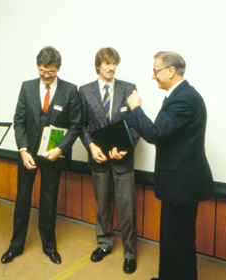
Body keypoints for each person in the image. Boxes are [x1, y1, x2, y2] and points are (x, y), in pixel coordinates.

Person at [126, 51, 215, 280]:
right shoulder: (178, 95)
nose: (153, 76)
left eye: (156, 71)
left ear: (171, 71)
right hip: (178, 182)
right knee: (172, 239)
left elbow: (155, 133)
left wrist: (135, 108)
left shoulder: (184, 98)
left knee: (180, 241)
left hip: (182, 184)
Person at [1, 46, 82, 265]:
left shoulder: (70, 90)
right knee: (22, 198)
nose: (46, 77)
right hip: (28, 153)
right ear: (38, 66)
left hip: (53, 155)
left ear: (58, 69)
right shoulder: (27, 87)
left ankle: (49, 246)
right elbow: (18, 121)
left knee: (49, 199)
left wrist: (60, 149)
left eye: (51, 73)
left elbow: (75, 126)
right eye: (43, 71)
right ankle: (15, 245)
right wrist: (22, 150)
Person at [79, 47, 140, 274]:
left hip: (123, 161)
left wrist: (126, 148)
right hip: (99, 160)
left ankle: (130, 253)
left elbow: (136, 124)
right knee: (103, 206)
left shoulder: (128, 89)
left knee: (127, 209)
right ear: (98, 66)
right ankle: (104, 244)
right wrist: (91, 146)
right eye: (107, 63)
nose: (111, 67)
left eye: (114, 63)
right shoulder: (84, 91)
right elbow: (82, 125)